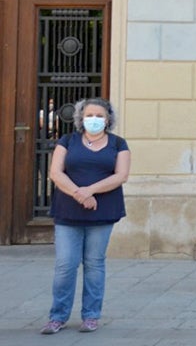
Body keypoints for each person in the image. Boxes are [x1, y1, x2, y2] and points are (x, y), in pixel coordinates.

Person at [42, 98, 130, 334]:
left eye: (99, 116)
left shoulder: (118, 143)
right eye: (89, 115)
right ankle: (57, 317)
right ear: (81, 118)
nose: (94, 119)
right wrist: (79, 195)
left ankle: (91, 316)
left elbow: (121, 175)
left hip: (102, 212)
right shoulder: (67, 141)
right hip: (68, 212)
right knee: (65, 265)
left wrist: (89, 191)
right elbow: (55, 172)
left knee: (94, 264)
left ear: (108, 119)